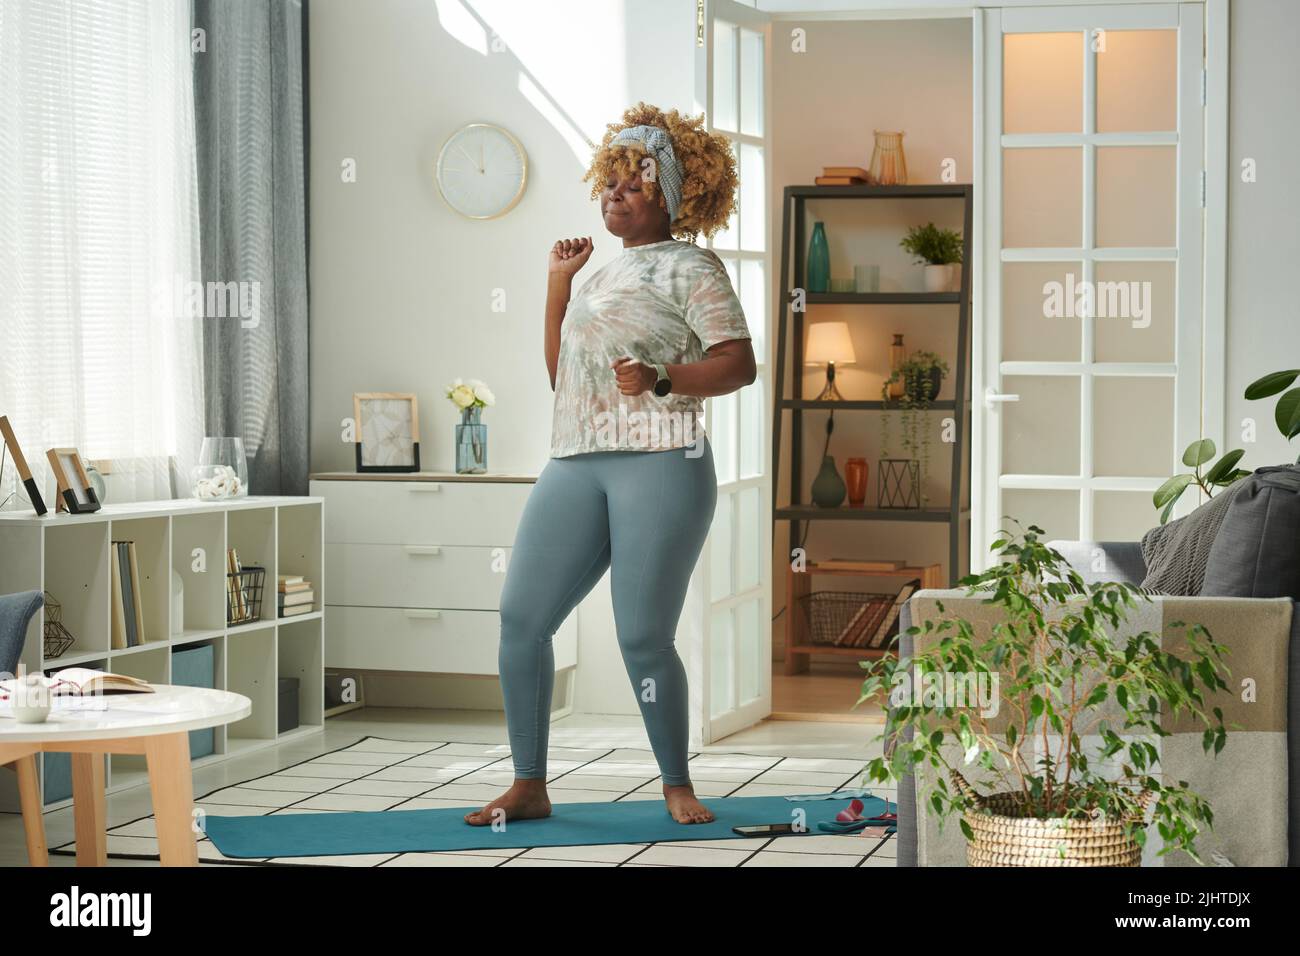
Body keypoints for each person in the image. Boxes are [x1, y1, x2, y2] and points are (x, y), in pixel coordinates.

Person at [464, 103, 756, 826]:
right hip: (575, 459)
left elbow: (738, 364)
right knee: (521, 619)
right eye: (611, 184)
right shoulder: (601, 276)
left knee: (640, 636)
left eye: (633, 185)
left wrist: (662, 377)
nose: (614, 196)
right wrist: (559, 284)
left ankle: (676, 783)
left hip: (660, 461)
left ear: (670, 195)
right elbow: (564, 378)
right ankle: (528, 783)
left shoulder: (693, 266)